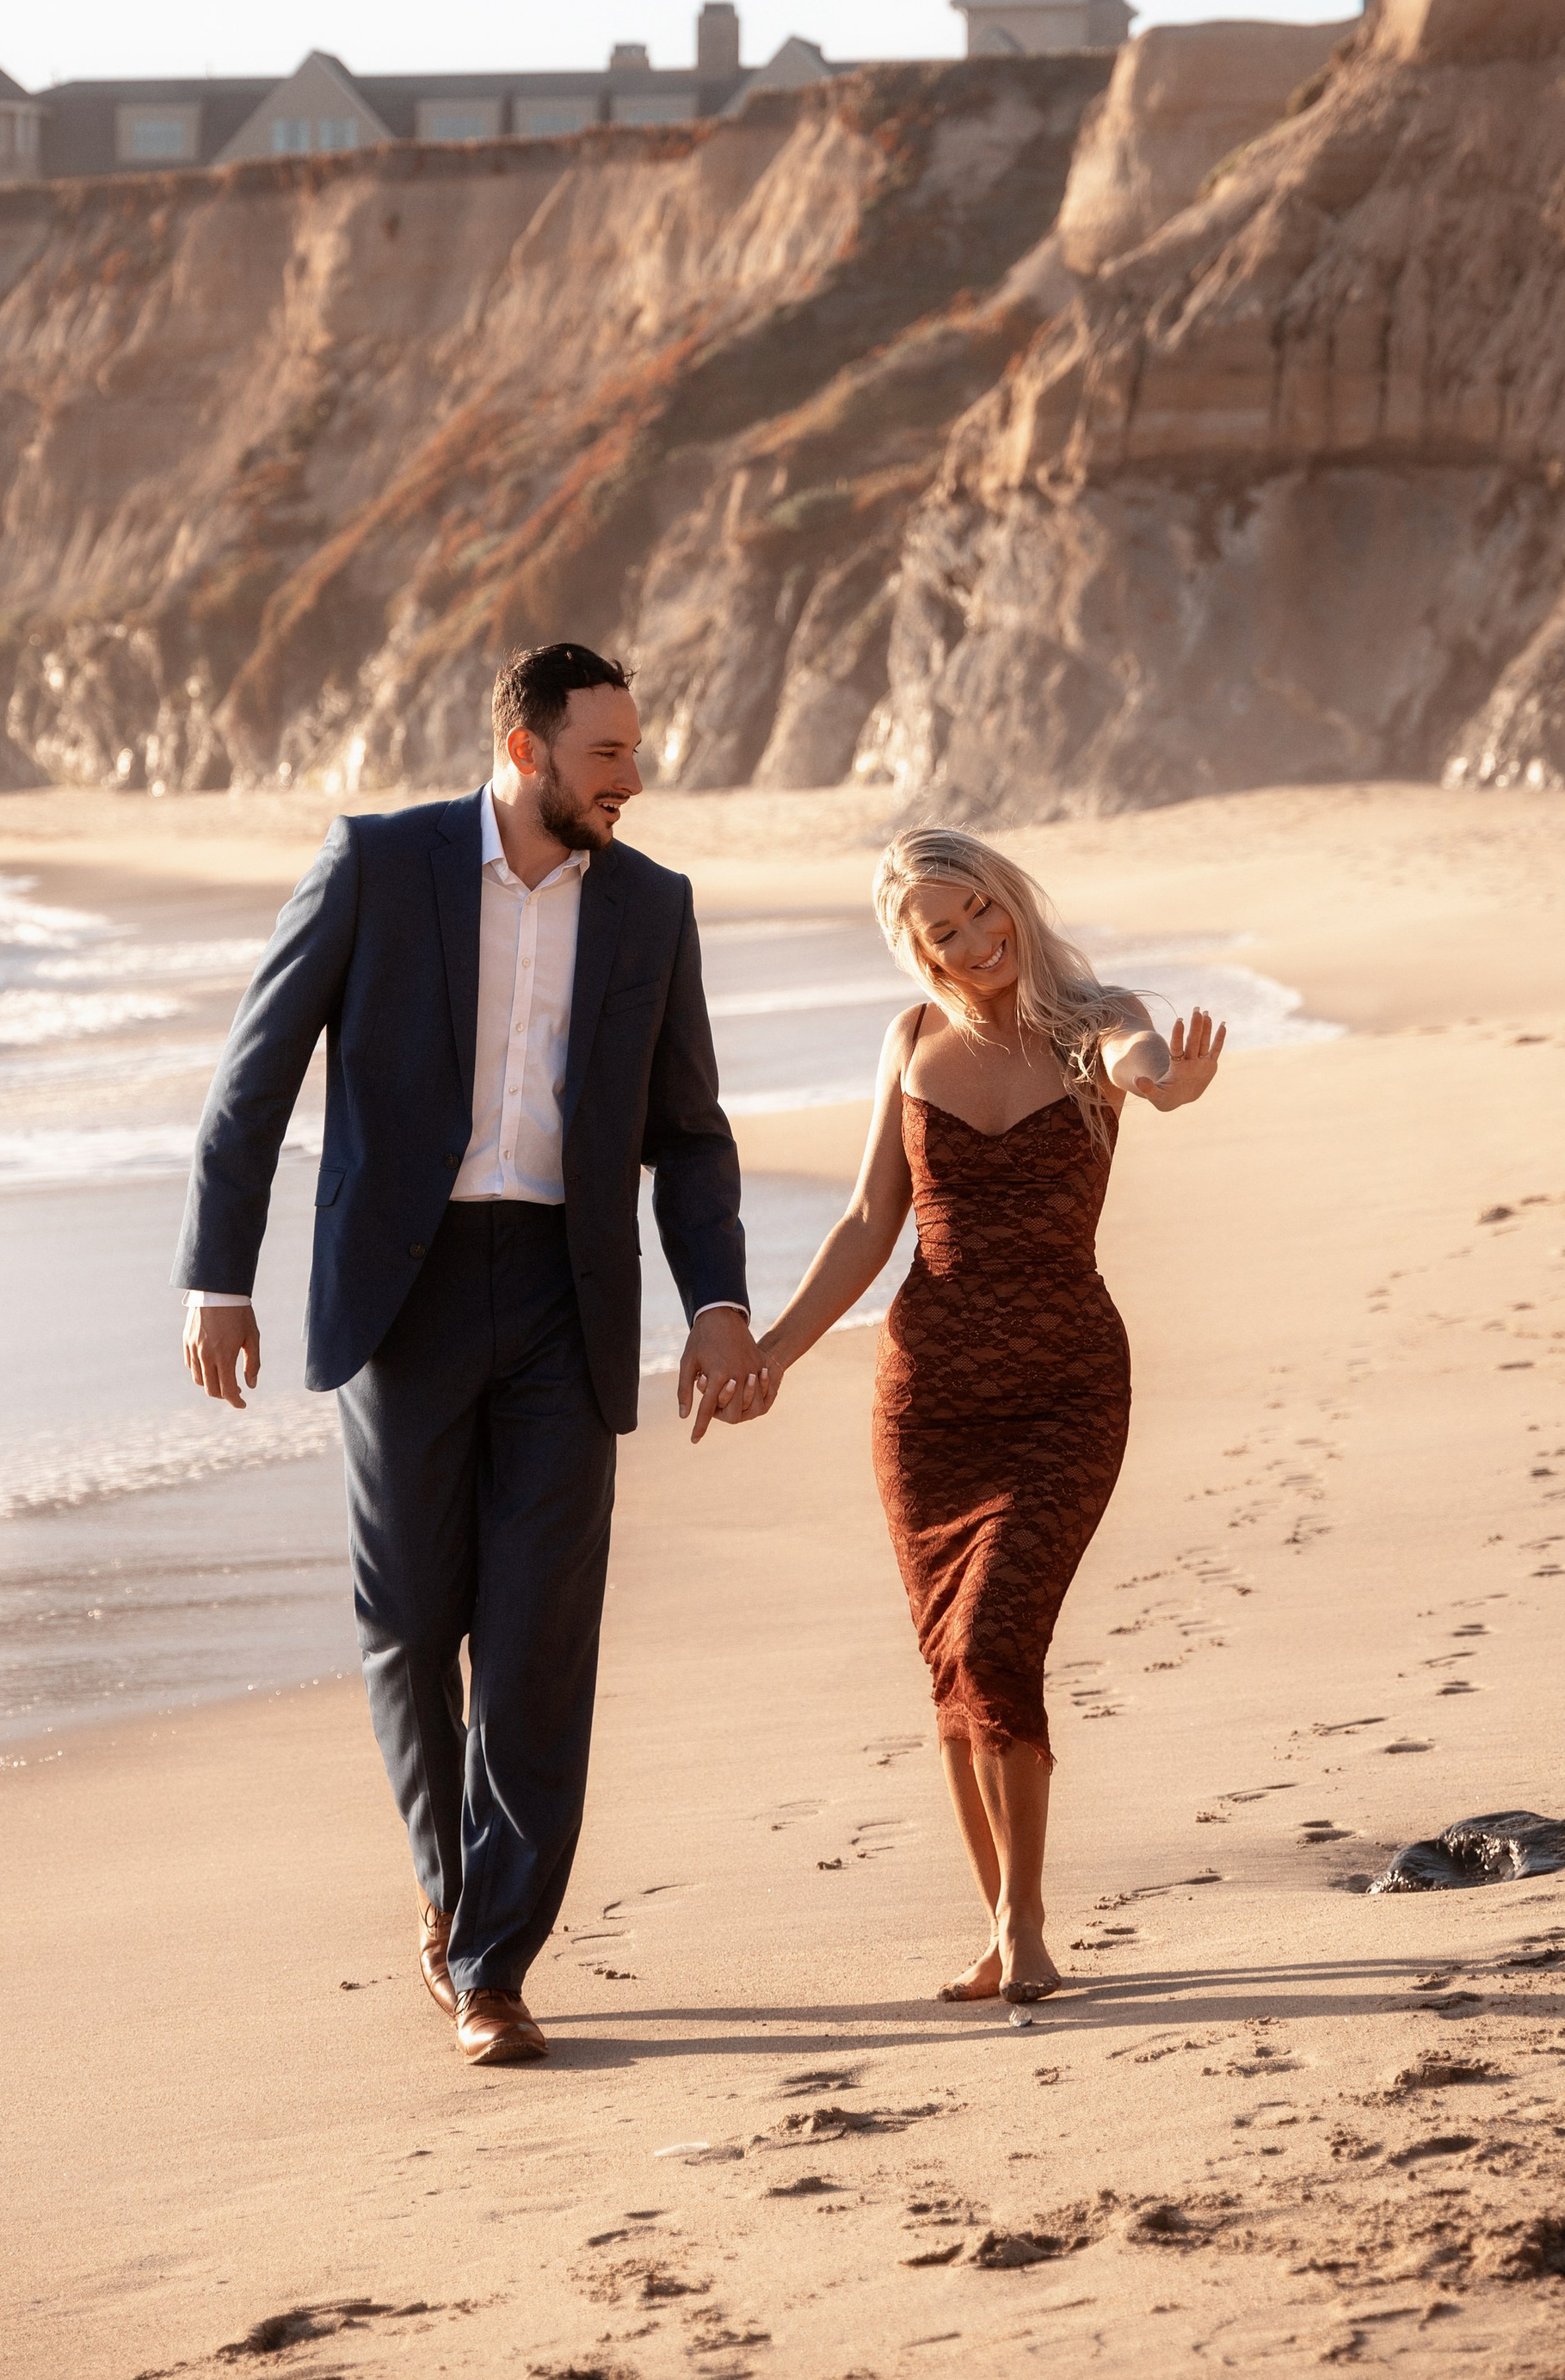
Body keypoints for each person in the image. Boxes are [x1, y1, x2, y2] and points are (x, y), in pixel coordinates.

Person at [175, 642, 770, 2067]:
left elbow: (688, 1133)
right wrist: (217, 1277)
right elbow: (252, 1083)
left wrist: (719, 1304)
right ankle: (448, 1902)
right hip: (406, 1295)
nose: (634, 777)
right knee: (408, 1623)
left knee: (538, 1643)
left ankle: (494, 1964)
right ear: (526, 749)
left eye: (634, 750)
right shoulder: (377, 868)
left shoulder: (650, 907)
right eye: (608, 752)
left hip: (569, 1302)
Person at [748, 827, 1224, 2007]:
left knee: (997, 1635)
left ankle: (1026, 1928)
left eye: (979, 912)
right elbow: (869, 1222)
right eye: (940, 934)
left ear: (1009, 895)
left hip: (1066, 1380)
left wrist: (1166, 1081)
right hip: (931, 1395)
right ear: (914, 952)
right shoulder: (910, 1042)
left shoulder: (1094, 1019)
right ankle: (1002, 1929)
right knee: (951, 1661)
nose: (972, 945)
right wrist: (773, 1353)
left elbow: (1136, 1057)